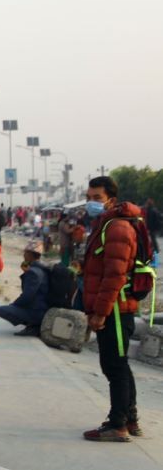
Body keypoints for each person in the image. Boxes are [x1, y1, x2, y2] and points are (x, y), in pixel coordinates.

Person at [81, 176, 144, 442]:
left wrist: (100, 312)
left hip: (115, 310)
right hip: (115, 308)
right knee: (119, 365)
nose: (91, 203)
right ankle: (129, 419)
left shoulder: (117, 228)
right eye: (89, 197)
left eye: (97, 198)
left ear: (111, 200)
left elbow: (114, 277)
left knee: (114, 367)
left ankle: (117, 424)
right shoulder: (108, 224)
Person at [0, 241, 52, 335]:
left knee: (2, 310)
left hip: (37, 312)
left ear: (31, 255)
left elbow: (27, 296)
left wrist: (14, 305)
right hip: (42, 309)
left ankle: (34, 326)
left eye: (26, 253)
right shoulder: (42, 269)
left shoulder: (33, 272)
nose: (24, 255)